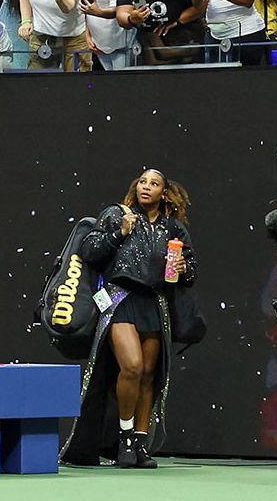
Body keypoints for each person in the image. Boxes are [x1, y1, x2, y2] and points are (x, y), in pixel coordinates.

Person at [63, 168, 199, 470]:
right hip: (119, 300)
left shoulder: (174, 229)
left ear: (164, 192)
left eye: (154, 184)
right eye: (142, 182)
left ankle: (139, 442)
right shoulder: (117, 215)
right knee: (133, 366)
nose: (146, 187)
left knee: (149, 374)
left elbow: (190, 273)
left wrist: (180, 267)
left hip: (154, 303)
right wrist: (119, 232)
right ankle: (122, 438)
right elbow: (89, 251)